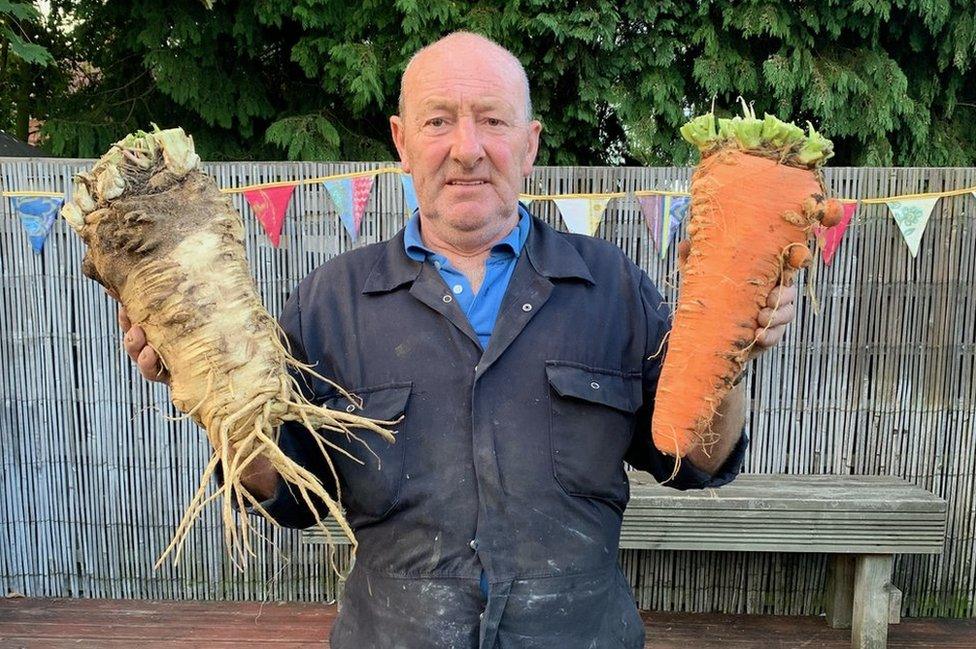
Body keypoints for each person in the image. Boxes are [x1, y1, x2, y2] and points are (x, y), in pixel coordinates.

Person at [119, 32, 797, 649]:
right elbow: (291, 496)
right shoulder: (334, 300)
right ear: (402, 139)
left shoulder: (610, 285)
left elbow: (694, 462)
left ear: (529, 144)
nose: (466, 148)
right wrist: (209, 383)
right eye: (438, 120)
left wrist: (731, 351)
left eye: (493, 122)